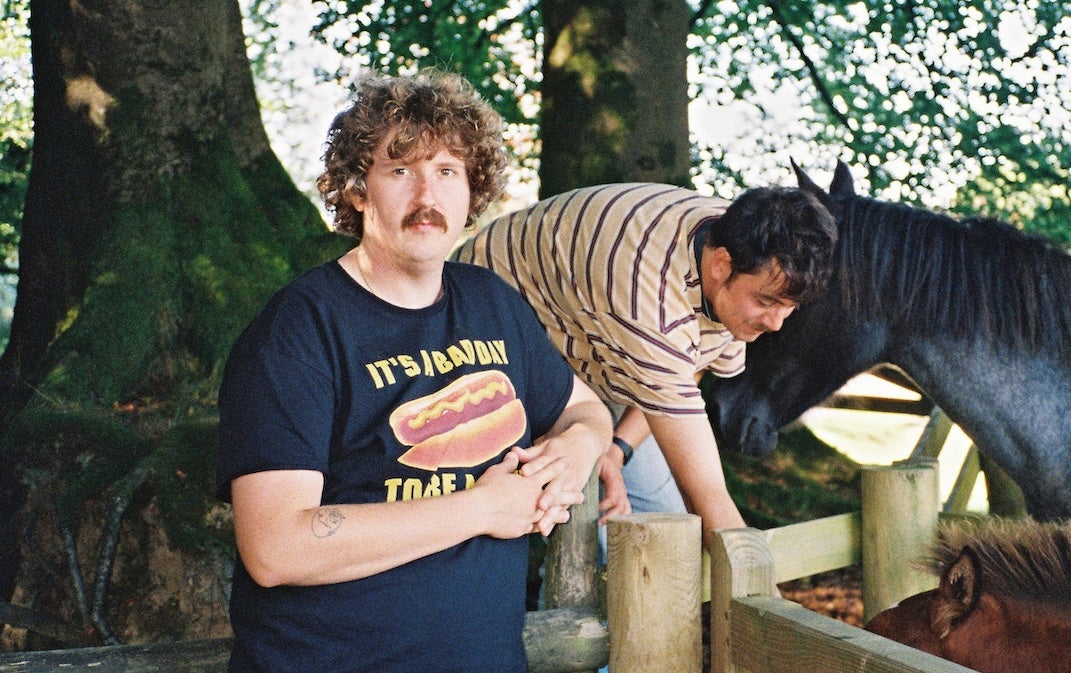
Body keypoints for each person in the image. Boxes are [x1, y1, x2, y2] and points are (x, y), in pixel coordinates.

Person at [215, 69, 612, 673]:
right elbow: (275, 546)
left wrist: (579, 449)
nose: (428, 196)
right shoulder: (298, 331)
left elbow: (584, 408)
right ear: (356, 190)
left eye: (448, 172)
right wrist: (482, 508)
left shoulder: (491, 302)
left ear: (472, 192)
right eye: (401, 171)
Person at [454, 182, 837, 543]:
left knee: (664, 524)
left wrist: (617, 449)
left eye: (790, 308)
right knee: (574, 513)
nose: (775, 324)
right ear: (721, 265)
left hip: (594, 337)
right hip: (486, 326)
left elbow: (689, 368)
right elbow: (706, 495)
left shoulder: (743, 243)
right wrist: (764, 598)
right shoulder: (650, 303)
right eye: (767, 303)